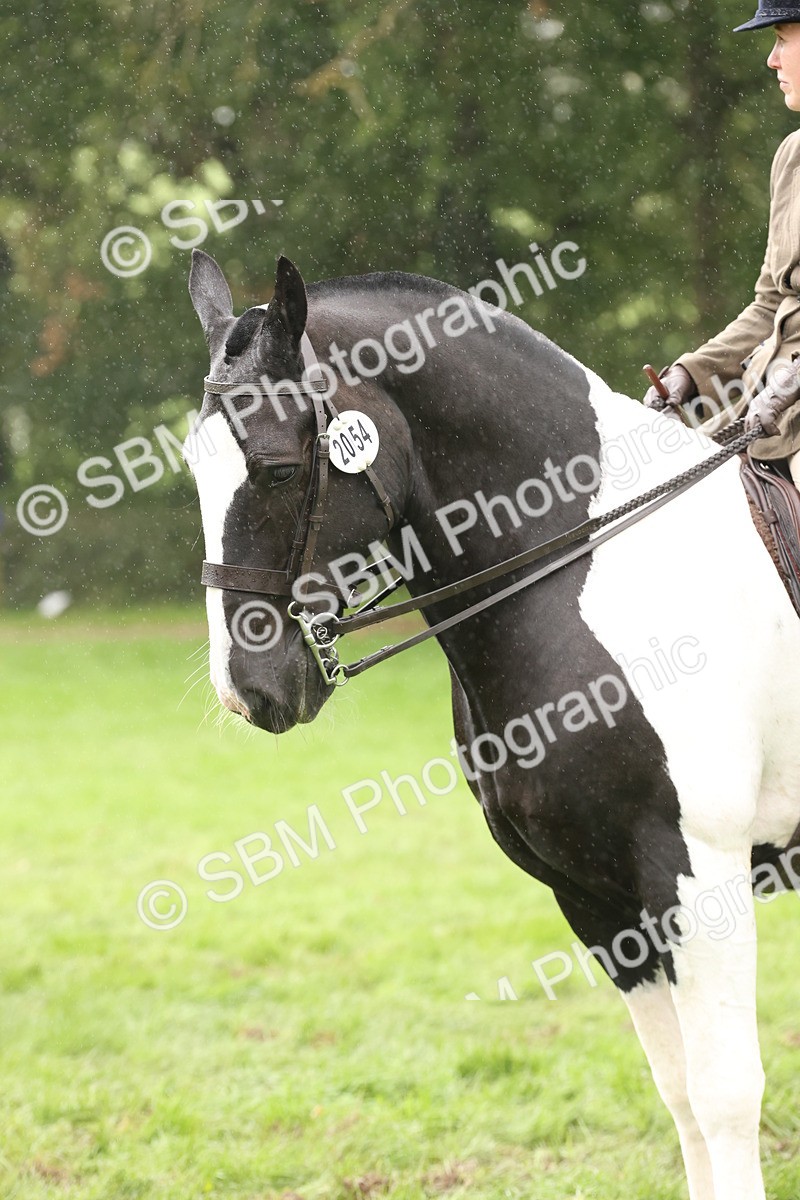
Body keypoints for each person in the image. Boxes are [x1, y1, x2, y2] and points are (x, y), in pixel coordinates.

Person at [644, 1, 800, 486]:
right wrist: (690, 375)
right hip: (763, 414)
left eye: (782, 40)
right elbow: (770, 305)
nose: (771, 61)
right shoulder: (792, 156)